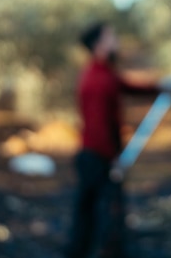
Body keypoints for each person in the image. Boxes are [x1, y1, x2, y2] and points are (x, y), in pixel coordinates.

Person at [66, 21, 162, 258]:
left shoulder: (103, 73)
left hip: (94, 156)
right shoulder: (97, 80)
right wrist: (113, 161)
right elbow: (98, 127)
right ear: (99, 44)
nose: (116, 41)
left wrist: (160, 88)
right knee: (107, 214)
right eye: (111, 37)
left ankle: (79, 251)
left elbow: (126, 86)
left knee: (88, 212)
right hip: (97, 158)